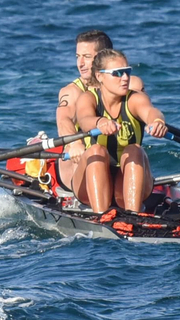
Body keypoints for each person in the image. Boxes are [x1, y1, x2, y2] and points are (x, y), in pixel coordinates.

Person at [43, 30, 144, 210]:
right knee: (97, 151)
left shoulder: (129, 84)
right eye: (78, 56)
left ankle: (131, 206)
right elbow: (64, 119)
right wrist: (74, 143)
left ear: (103, 58)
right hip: (83, 165)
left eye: (87, 57)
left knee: (134, 151)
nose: (80, 64)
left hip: (121, 163)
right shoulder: (72, 92)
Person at [74, 48, 168, 215]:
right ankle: (100, 216)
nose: (125, 78)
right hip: (90, 187)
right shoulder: (88, 98)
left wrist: (157, 122)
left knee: (134, 150)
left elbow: (151, 111)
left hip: (127, 183)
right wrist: (99, 122)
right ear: (99, 76)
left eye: (127, 72)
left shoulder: (135, 99)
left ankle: (133, 215)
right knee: (96, 151)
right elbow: (84, 119)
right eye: (117, 73)